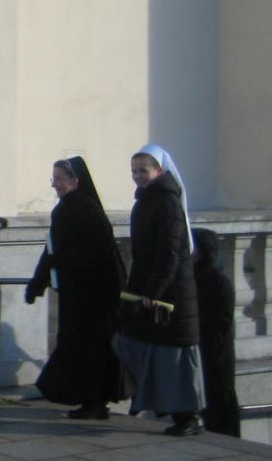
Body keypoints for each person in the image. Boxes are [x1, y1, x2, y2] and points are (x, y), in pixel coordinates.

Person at [25, 156, 127, 419]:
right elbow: (53, 250)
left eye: (60, 178)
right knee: (83, 347)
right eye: (54, 179)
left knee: (87, 348)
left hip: (91, 295)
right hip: (81, 293)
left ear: (75, 180)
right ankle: (92, 400)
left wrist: (42, 280)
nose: (55, 184)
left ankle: (94, 401)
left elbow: (78, 253)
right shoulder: (69, 208)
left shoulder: (81, 209)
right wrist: (39, 281)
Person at [115, 144, 206, 436]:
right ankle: (161, 404)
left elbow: (169, 252)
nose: (138, 175)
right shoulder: (149, 199)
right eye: (134, 171)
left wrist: (153, 292)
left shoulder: (166, 201)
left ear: (160, 171)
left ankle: (189, 417)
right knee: (141, 346)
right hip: (158, 289)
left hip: (170, 293)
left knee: (175, 357)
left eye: (143, 170)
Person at [192, 227, 241, 437]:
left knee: (221, 409)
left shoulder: (219, 282)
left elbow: (221, 322)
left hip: (216, 357)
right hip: (203, 354)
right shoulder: (194, 279)